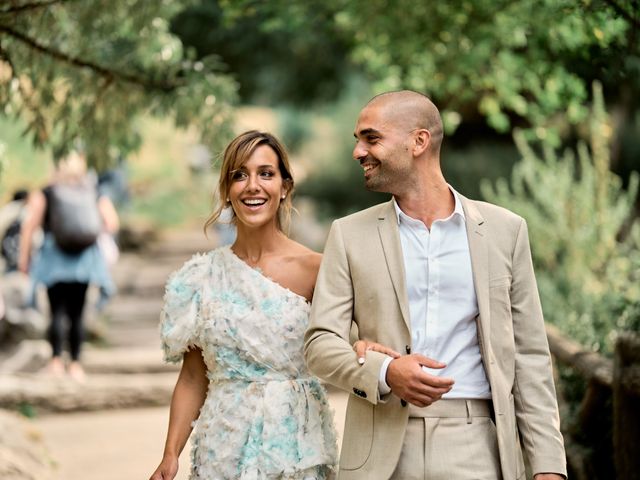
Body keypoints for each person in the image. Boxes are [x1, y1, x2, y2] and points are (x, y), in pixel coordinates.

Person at [304, 91, 567, 480]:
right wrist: (386, 371)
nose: (359, 152)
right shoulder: (348, 234)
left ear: (419, 141)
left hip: (475, 440)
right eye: (357, 140)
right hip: (380, 447)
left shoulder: (505, 231)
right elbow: (319, 343)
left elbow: (529, 354)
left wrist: (548, 466)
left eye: (371, 138)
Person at [152, 130, 383, 480]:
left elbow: (352, 343)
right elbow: (192, 376)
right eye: (239, 175)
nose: (252, 186)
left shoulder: (318, 269)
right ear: (226, 191)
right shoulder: (200, 277)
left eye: (266, 173)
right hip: (221, 448)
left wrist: (363, 344)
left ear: (285, 186)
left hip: (296, 446)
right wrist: (170, 456)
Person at [18, 151, 118, 380]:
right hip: (84, 261)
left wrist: (24, 259)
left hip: (54, 259)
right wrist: (87, 235)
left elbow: (29, 226)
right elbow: (111, 222)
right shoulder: (92, 189)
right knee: (77, 313)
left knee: (56, 312)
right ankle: (75, 365)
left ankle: (55, 362)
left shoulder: (47, 191)